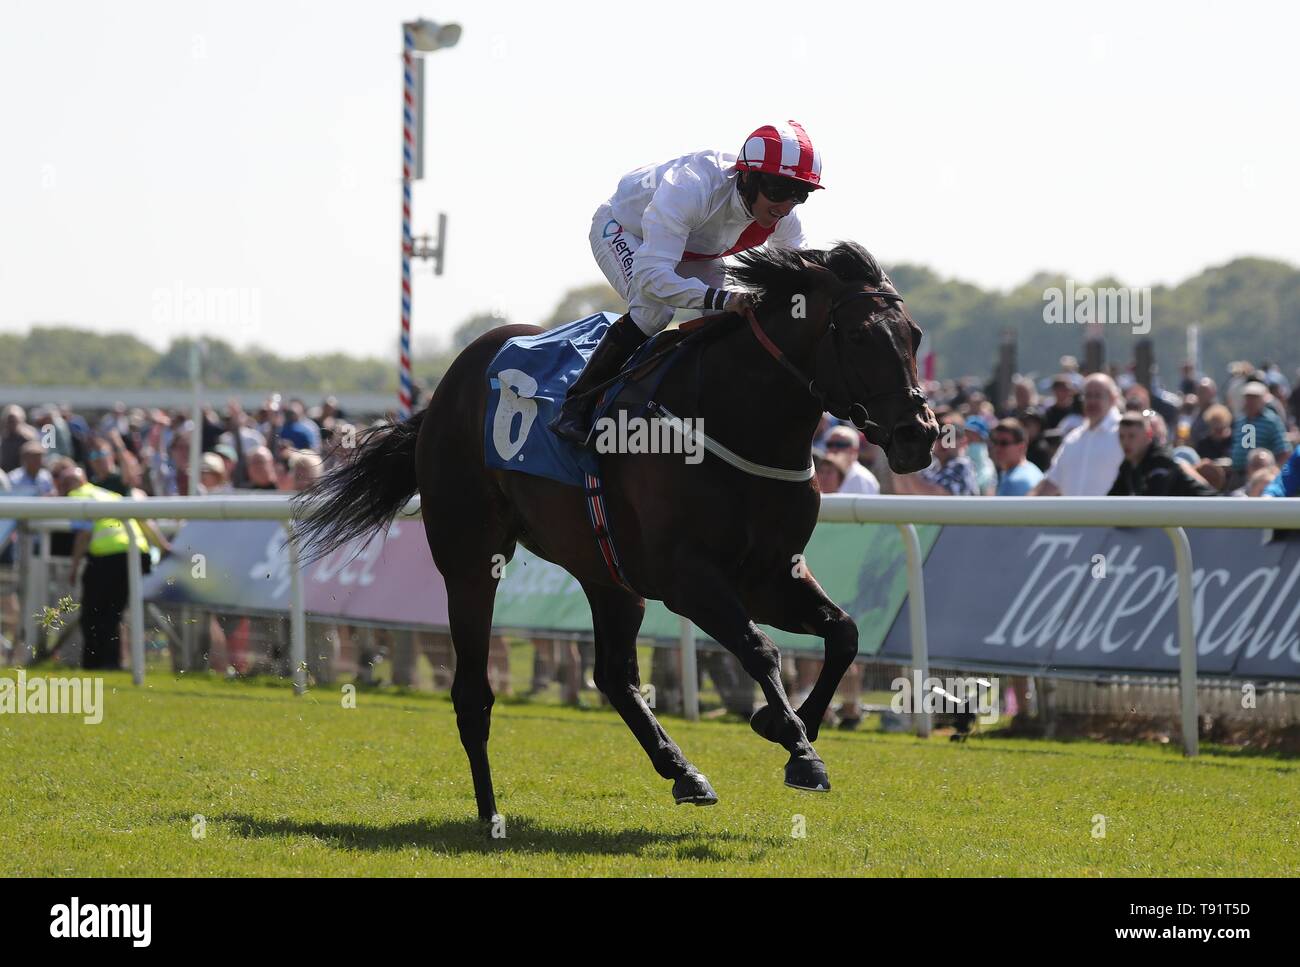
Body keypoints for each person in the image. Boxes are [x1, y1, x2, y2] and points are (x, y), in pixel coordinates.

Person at [551, 121, 823, 444]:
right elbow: (653, 278)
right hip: (624, 229)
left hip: (693, 250)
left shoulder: (784, 217)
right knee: (655, 311)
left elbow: (799, 281)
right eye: (778, 190)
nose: (786, 205)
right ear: (748, 176)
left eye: (799, 194)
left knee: (727, 322)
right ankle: (576, 404)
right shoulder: (691, 187)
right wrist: (722, 299)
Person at [58, 466, 163, 669]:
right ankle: (111, 663)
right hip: (136, 554)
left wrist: (74, 566)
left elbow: (84, 534)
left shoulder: (76, 496)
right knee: (112, 613)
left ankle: (94, 663)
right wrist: (162, 546)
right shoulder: (109, 494)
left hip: (108, 557)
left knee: (93, 613)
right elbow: (141, 519)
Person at [1030, 373, 1123, 496]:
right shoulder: (1073, 438)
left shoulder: (1125, 433)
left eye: (1098, 395)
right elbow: (1051, 481)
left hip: (1114, 515)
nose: (1092, 401)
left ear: (1113, 398)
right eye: (1088, 395)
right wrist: (1021, 508)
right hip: (1072, 515)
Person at [1108, 411, 1217, 497]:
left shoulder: (1161, 460)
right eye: (1121, 437)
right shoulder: (1128, 465)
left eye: (1132, 436)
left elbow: (1152, 504)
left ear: (1148, 435)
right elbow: (1113, 499)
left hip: (1213, 515)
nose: (1125, 442)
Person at [893, 411, 979, 496]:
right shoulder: (933, 467)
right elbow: (905, 492)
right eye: (938, 436)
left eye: (949, 437)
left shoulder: (961, 465)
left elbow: (940, 497)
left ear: (963, 441)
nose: (942, 442)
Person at [1231, 382, 1290, 473]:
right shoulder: (1240, 421)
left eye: (1254, 398)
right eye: (1248, 397)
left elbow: (1283, 451)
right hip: (1238, 474)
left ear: (1262, 400)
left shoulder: (1271, 421)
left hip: (1262, 475)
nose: (1250, 401)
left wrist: (1275, 471)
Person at [990, 419, 1043, 496]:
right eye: (995, 442)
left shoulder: (1013, 482)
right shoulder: (1033, 470)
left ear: (1021, 447)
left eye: (1004, 443)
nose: (997, 448)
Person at [822, 426, 880, 495]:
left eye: (840, 445)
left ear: (854, 450)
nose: (834, 449)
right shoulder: (821, 472)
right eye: (830, 445)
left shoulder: (862, 479)